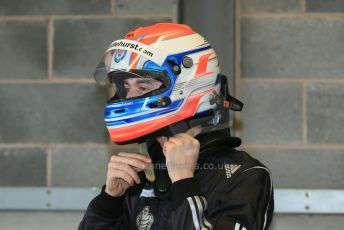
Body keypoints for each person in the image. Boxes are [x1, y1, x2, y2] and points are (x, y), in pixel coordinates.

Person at [79, 23, 274, 230]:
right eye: (125, 88)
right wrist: (109, 202)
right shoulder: (140, 175)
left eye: (143, 87)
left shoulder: (246, 175)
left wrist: (183, 183)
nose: (129, 98)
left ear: (187, 86)